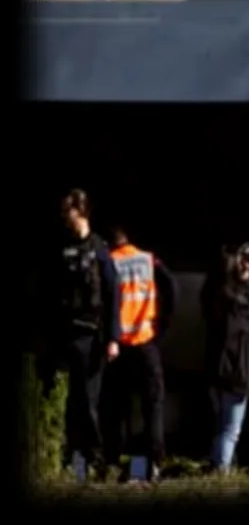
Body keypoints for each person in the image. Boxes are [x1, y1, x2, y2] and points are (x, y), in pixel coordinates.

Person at [47, 189, 120, 483]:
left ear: (82, 212)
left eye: (69, 211)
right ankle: (78, 465)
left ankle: (97, 461)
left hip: (92, 337)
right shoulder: (63, 248)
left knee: (88, 402)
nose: (65, 216)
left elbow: (113, 294)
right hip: (68, 334)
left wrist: (113, 338)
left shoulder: (100, 249)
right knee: (74, 403)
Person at [100, 225, 177, 483]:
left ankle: (113, 459)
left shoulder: (110, 261)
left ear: (111, 245)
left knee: (116, 407)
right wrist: (163, 323)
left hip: (119, 346)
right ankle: (153, 462)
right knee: (153, 405)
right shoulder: (147, 259)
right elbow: (172, 286)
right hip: (147, 343)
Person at [200, 242, 249, 474]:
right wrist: (246, 283)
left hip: (215, 368)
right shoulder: (237, 306)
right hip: (236, 370)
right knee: (231, 430)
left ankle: (217, 463)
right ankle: (221, 471)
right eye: (244, 260)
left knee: (220, 425)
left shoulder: (213, 296)